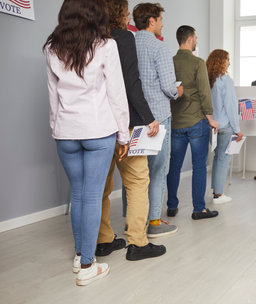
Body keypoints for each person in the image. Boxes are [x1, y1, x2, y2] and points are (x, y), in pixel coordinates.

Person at [44, 0, 128, 285]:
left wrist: (56, 128)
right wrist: (124, 134)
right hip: (97, 130)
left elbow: (53, 96)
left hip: (66, 132)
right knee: (91, 196)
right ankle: (88, 265)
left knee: (78, 194)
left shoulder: (52, 47)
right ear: (96, 13)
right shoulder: (106, 45)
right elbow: (117, 94)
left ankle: (80, 255)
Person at [96, 0, 166, 262]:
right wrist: (149, 118)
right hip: (125, 122)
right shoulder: (123, 37)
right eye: (124, 10)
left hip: (98, 125)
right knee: (138, 181)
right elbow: (131, 83)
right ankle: (137, 243)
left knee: (102, 186)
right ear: (118, 12)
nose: (127, 14)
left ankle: (103, 241)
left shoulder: (90, 37)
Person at [126, 2, 183, 237]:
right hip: (158, 118)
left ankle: (133, 222)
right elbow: (169, 88)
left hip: (134, 118)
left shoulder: (127, 44)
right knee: (159, 170)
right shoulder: (160, 47)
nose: (162, 24)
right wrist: (179, 91)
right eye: (160, 19)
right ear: (151, 21)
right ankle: (155, 223)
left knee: (135, 174)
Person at [168, 25, 220, 220]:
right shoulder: (198, 63)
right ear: (189, 40)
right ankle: (199, 209)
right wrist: (211, 118)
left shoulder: (170, 62)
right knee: (199, 166)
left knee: (174, 165)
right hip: (197, 121)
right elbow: (205, 93)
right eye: (196, 37)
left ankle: (172, 206)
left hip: (176, 122)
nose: (196, 40)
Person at [206, 49, 244, 204]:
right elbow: (231, 106)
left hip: (210, 125)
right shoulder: (226, 80)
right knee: (223, 159)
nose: (229, 62)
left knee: (217, 158)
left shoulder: (207, 79)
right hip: (225, 126)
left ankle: (216, 190)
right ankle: (219, 195)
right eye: (228, 59)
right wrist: (237, 129)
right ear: (221, 61)